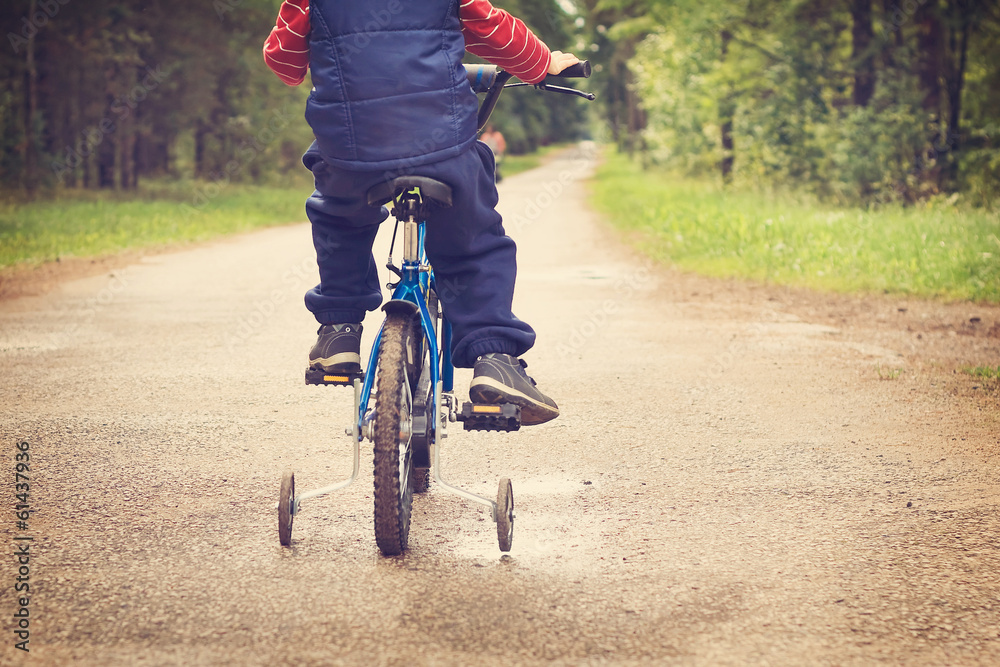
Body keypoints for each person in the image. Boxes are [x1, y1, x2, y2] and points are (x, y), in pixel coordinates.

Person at [263, 0, 578, 426]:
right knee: (476, 243)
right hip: (442, 147)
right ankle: (494, 357)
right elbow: (495, 30)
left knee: (339, 219)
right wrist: (542, 65)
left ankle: (339, 330)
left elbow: (283, 63)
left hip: (349, 152)